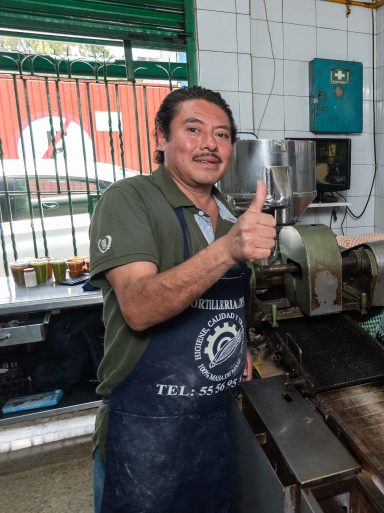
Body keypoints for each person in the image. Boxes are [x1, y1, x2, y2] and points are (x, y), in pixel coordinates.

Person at [88, 86, 277, 513]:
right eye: (193, 130)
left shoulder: (229, 214)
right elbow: (138, 307)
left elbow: (225, 302)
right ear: (161, 138)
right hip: (147, 432)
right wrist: (228, 249)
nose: (210, 144)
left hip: (219, 421)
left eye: (222, 135)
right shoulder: (129, 199)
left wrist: (238, 343)